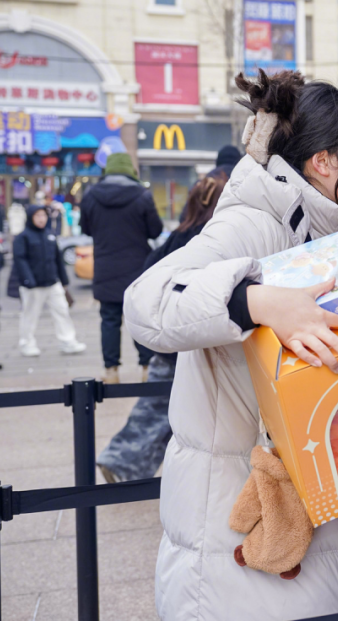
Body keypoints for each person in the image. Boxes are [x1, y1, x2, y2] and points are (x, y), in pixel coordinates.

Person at [124, 70, 338, 620]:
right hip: (243, 560)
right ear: (324, 161)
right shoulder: (253, 226)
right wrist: (257, 301)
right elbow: (146, 302)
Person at [97, 168, 229, 484]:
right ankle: (121, 462)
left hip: (167, 341)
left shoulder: (177, 236)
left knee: (160, 410)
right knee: (164, 411)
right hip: (192, 344)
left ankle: (125, 465)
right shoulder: (212, 242)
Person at [80, 153, 163, 383]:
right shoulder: (142, 195)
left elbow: (85, 228)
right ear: (130, 171)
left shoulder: (91, 196)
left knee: (109, 320)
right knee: (140, 318)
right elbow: (155, 230)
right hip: (137, 269)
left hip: (105, 266)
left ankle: (111, 371)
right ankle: (146, 368)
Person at [12, 204, 86, 356]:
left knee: (62, 311)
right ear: (31, 217)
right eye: (38, 216)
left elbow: (58, 260)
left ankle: (68, 341)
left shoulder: (49, 234)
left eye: (44, 215)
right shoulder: (23, 237)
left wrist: (64, 281)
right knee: (30, 315)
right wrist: (28, 280)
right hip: (33, 285)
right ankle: (27, 344)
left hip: (52, 283)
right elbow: (20, 260)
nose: (41, 219)